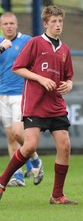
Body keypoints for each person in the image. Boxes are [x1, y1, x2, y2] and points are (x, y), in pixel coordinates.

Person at [0, 5, 76, 204]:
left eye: (60, 21)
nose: (58, 25)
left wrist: (69, 84)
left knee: (65, 145)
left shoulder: (65, 49)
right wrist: (41, 79)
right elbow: (18, 68)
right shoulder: (35, 43)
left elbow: (69, 77)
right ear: (45, 24)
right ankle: (1, 184)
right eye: (53, 21)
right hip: (35, 102)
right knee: (29, 145)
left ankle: (57, 195)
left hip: (56, 104)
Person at [0, 11, 44, 187]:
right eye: (5, 24)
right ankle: (17, 176)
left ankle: (34, 160)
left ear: (17, 25)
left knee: (19, 132)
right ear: (1, 26)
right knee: (11, 137)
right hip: (2, 94)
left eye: (12, 23)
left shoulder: (27, 41)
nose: (9, 26)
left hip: (21, 93)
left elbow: (39, 59)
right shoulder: (1, 44)